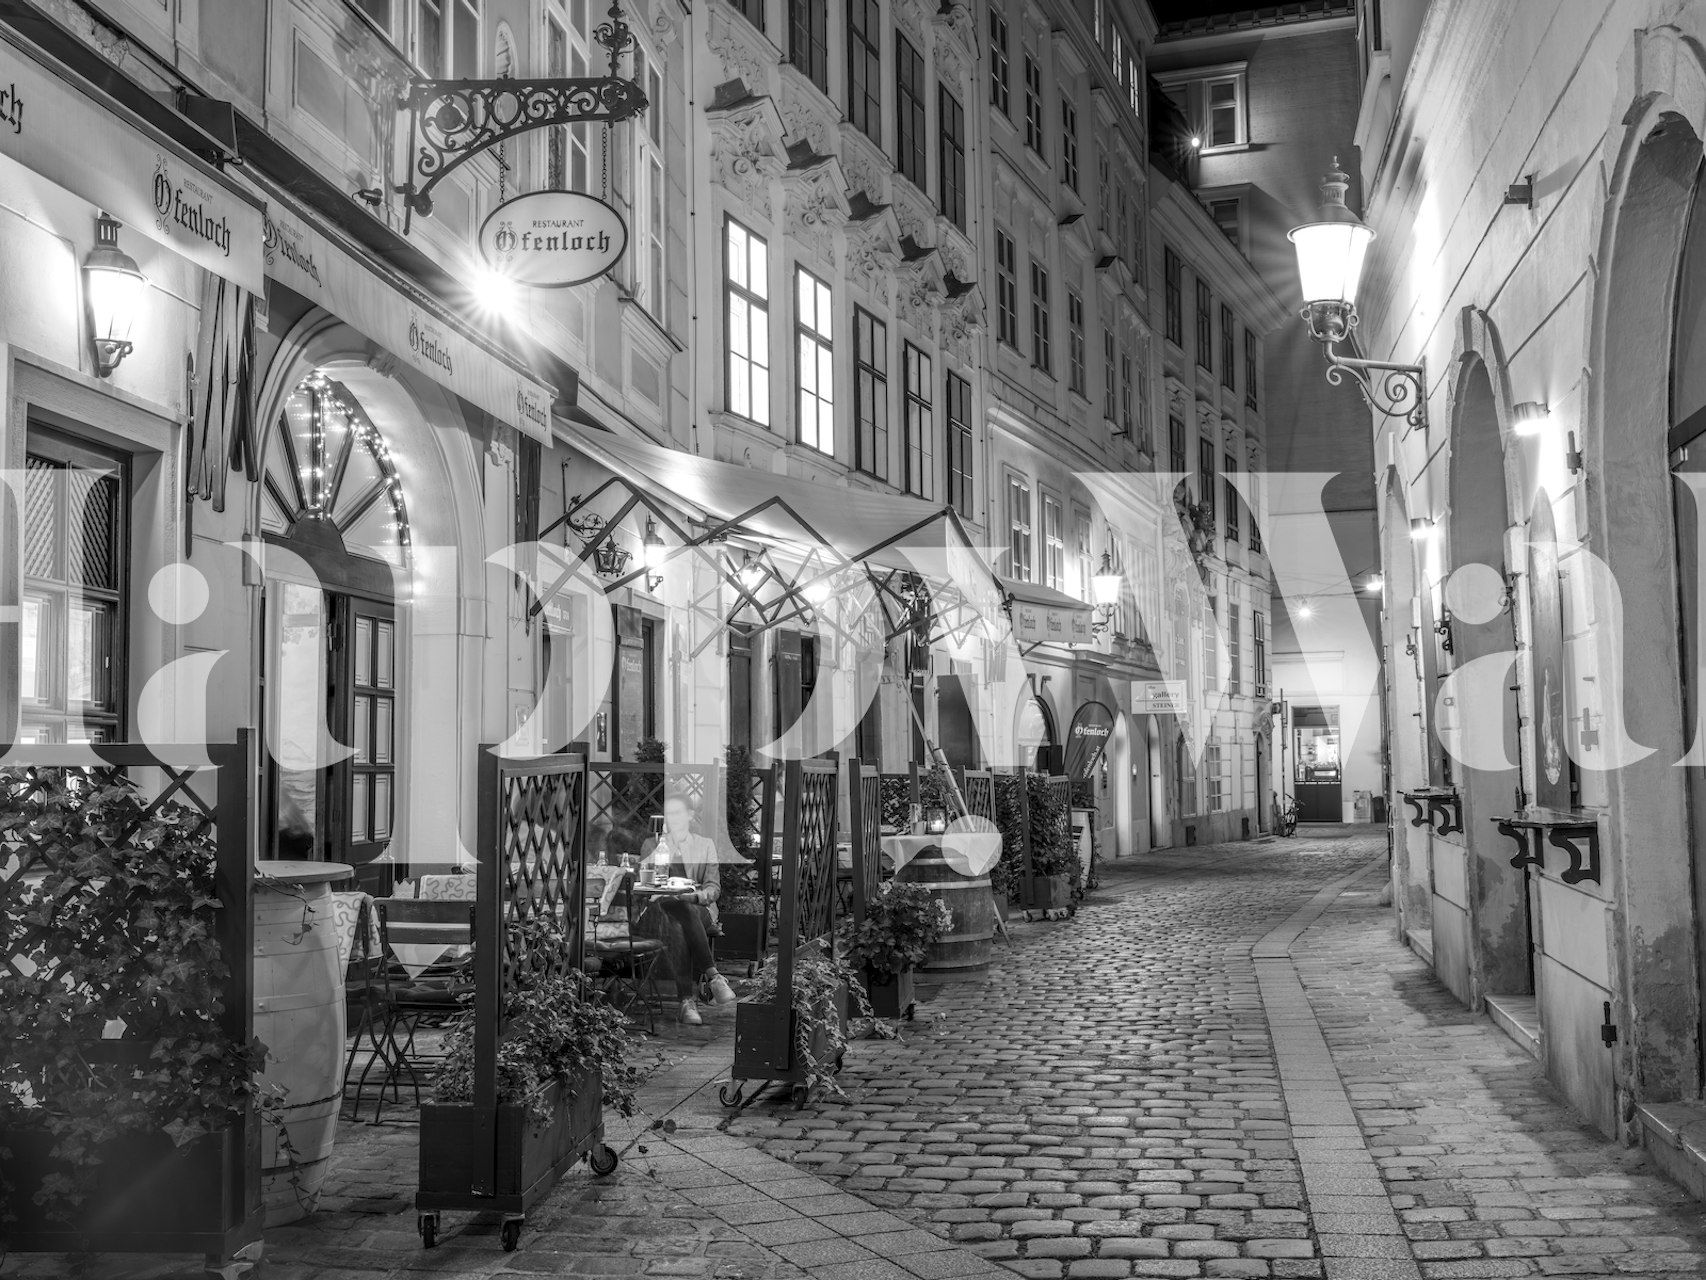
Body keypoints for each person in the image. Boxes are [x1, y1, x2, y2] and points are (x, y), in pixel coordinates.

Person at [638, 792, 737, 1024]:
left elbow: (713, 887)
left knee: (684, 911)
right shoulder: (652, 844)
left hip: (697, 907)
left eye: (677, 812)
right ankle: (714, 977)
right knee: (678, 920)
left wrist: (694, 897)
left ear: (690, 815)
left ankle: (687, 1002)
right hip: (660, 908)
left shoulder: (704, 845)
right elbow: (644, 883)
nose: (671, 818)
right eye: (668, 813)